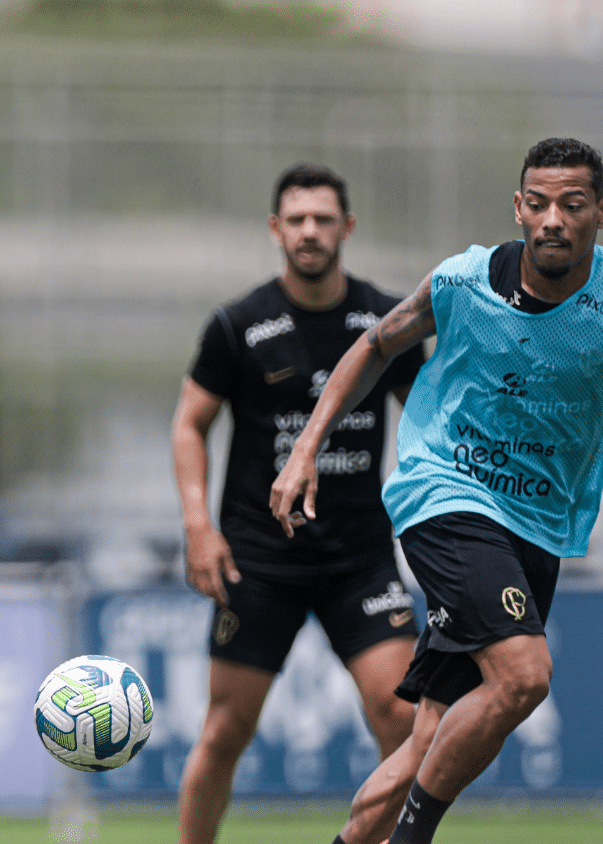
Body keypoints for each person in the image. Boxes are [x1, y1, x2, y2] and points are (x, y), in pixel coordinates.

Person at [270, 137, 603, 844]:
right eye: (537, 204)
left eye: (572, 206)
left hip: (535, 527)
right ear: (518, 207)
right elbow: (376, 344)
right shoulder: (463, 281)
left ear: (602, 212)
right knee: (523, 675)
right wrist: (306, 450)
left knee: (425, 746)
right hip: (444, 493)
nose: (552, 220)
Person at [173, 163, 425, 844]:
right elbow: (189, 424)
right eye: (297, 220)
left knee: (401, 718)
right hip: (258, 557)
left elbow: (434, 416)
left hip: (360, 558)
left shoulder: (387, 320)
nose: (309, 232)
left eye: (322, 219)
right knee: (225, 731)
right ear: (275, 229)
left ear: (346, 228)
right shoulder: (238, 324)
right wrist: (199, 527)